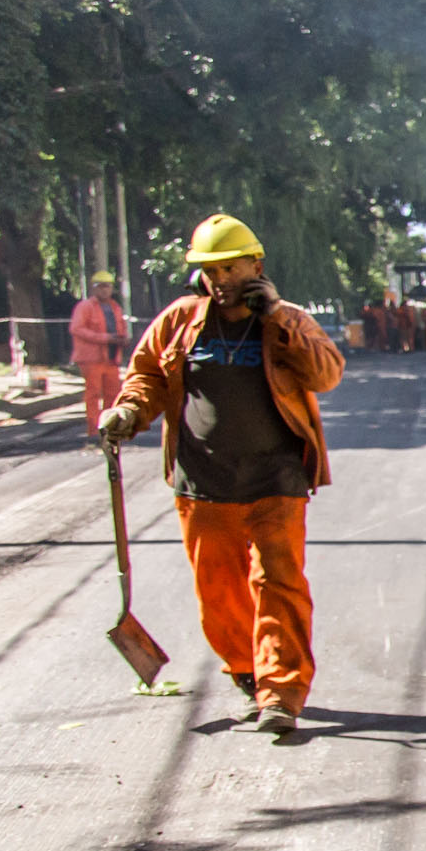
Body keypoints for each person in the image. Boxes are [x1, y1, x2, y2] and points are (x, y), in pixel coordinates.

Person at [96, 213, 344, 737]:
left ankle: (281, 692)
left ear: (256, 265)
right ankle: (249, 672)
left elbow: (326, 373)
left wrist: (276, 316)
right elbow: (146, 377)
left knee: (277, 584)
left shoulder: (286, 319)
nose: (221, 279)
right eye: (210, 269)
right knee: (219, 592)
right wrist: (127, 412)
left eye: (231, 267)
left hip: (275, 479)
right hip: (202, 481)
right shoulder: (180, 320)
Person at [68, 270, 129, 433]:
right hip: (92, 360)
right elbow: (77, 328)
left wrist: (122, 339)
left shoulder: (115, 307)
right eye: (100, 286)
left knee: (113, 394)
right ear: (94, 288)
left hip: (111, 358)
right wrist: (106, 338)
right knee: (93, 394)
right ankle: (94, 430)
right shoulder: (85, 307)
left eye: (107, 286)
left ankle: (109, 428)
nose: (104, 290)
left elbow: (120, 327)